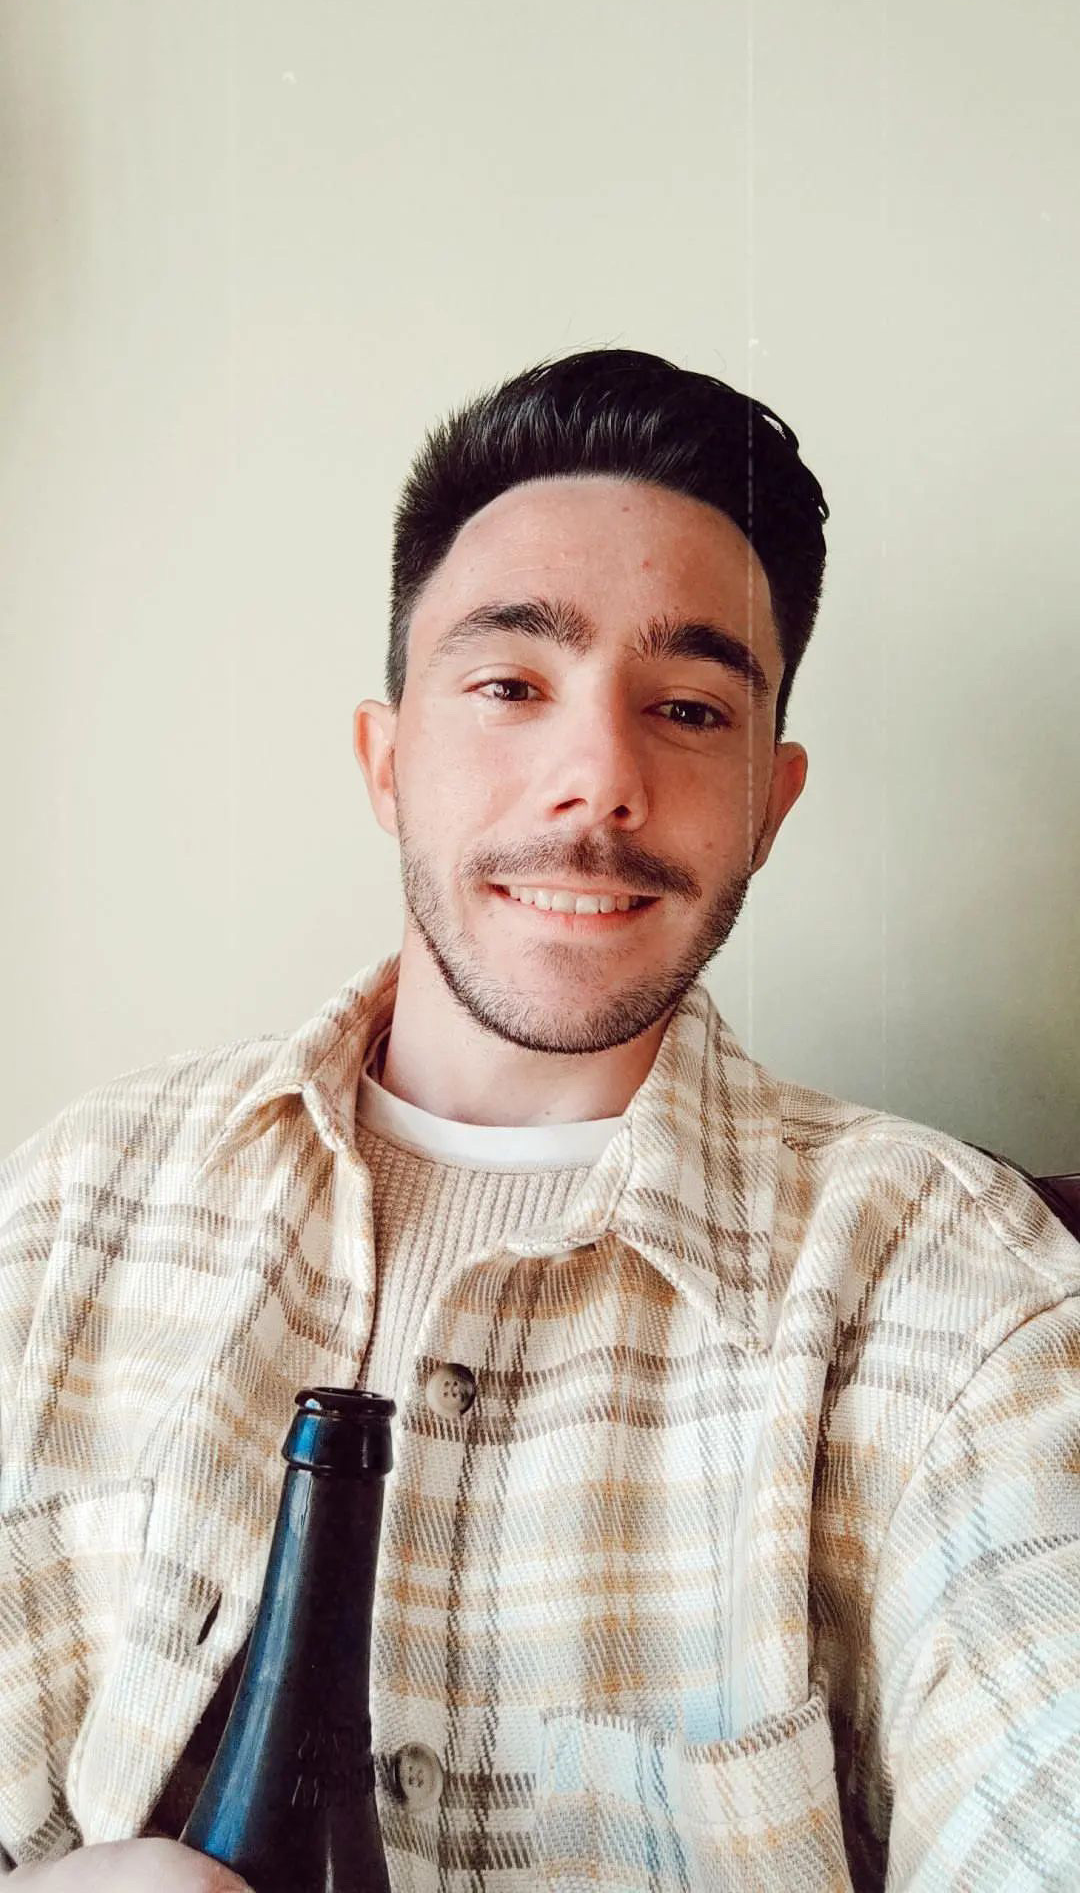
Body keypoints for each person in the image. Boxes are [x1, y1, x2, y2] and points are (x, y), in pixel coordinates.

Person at [1, 348, 1077, 1891]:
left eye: (689, 707)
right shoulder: (74, 1205)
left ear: (771, 803)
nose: (599, 779)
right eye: (511, 686)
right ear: (389, 762)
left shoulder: (956, 1290)